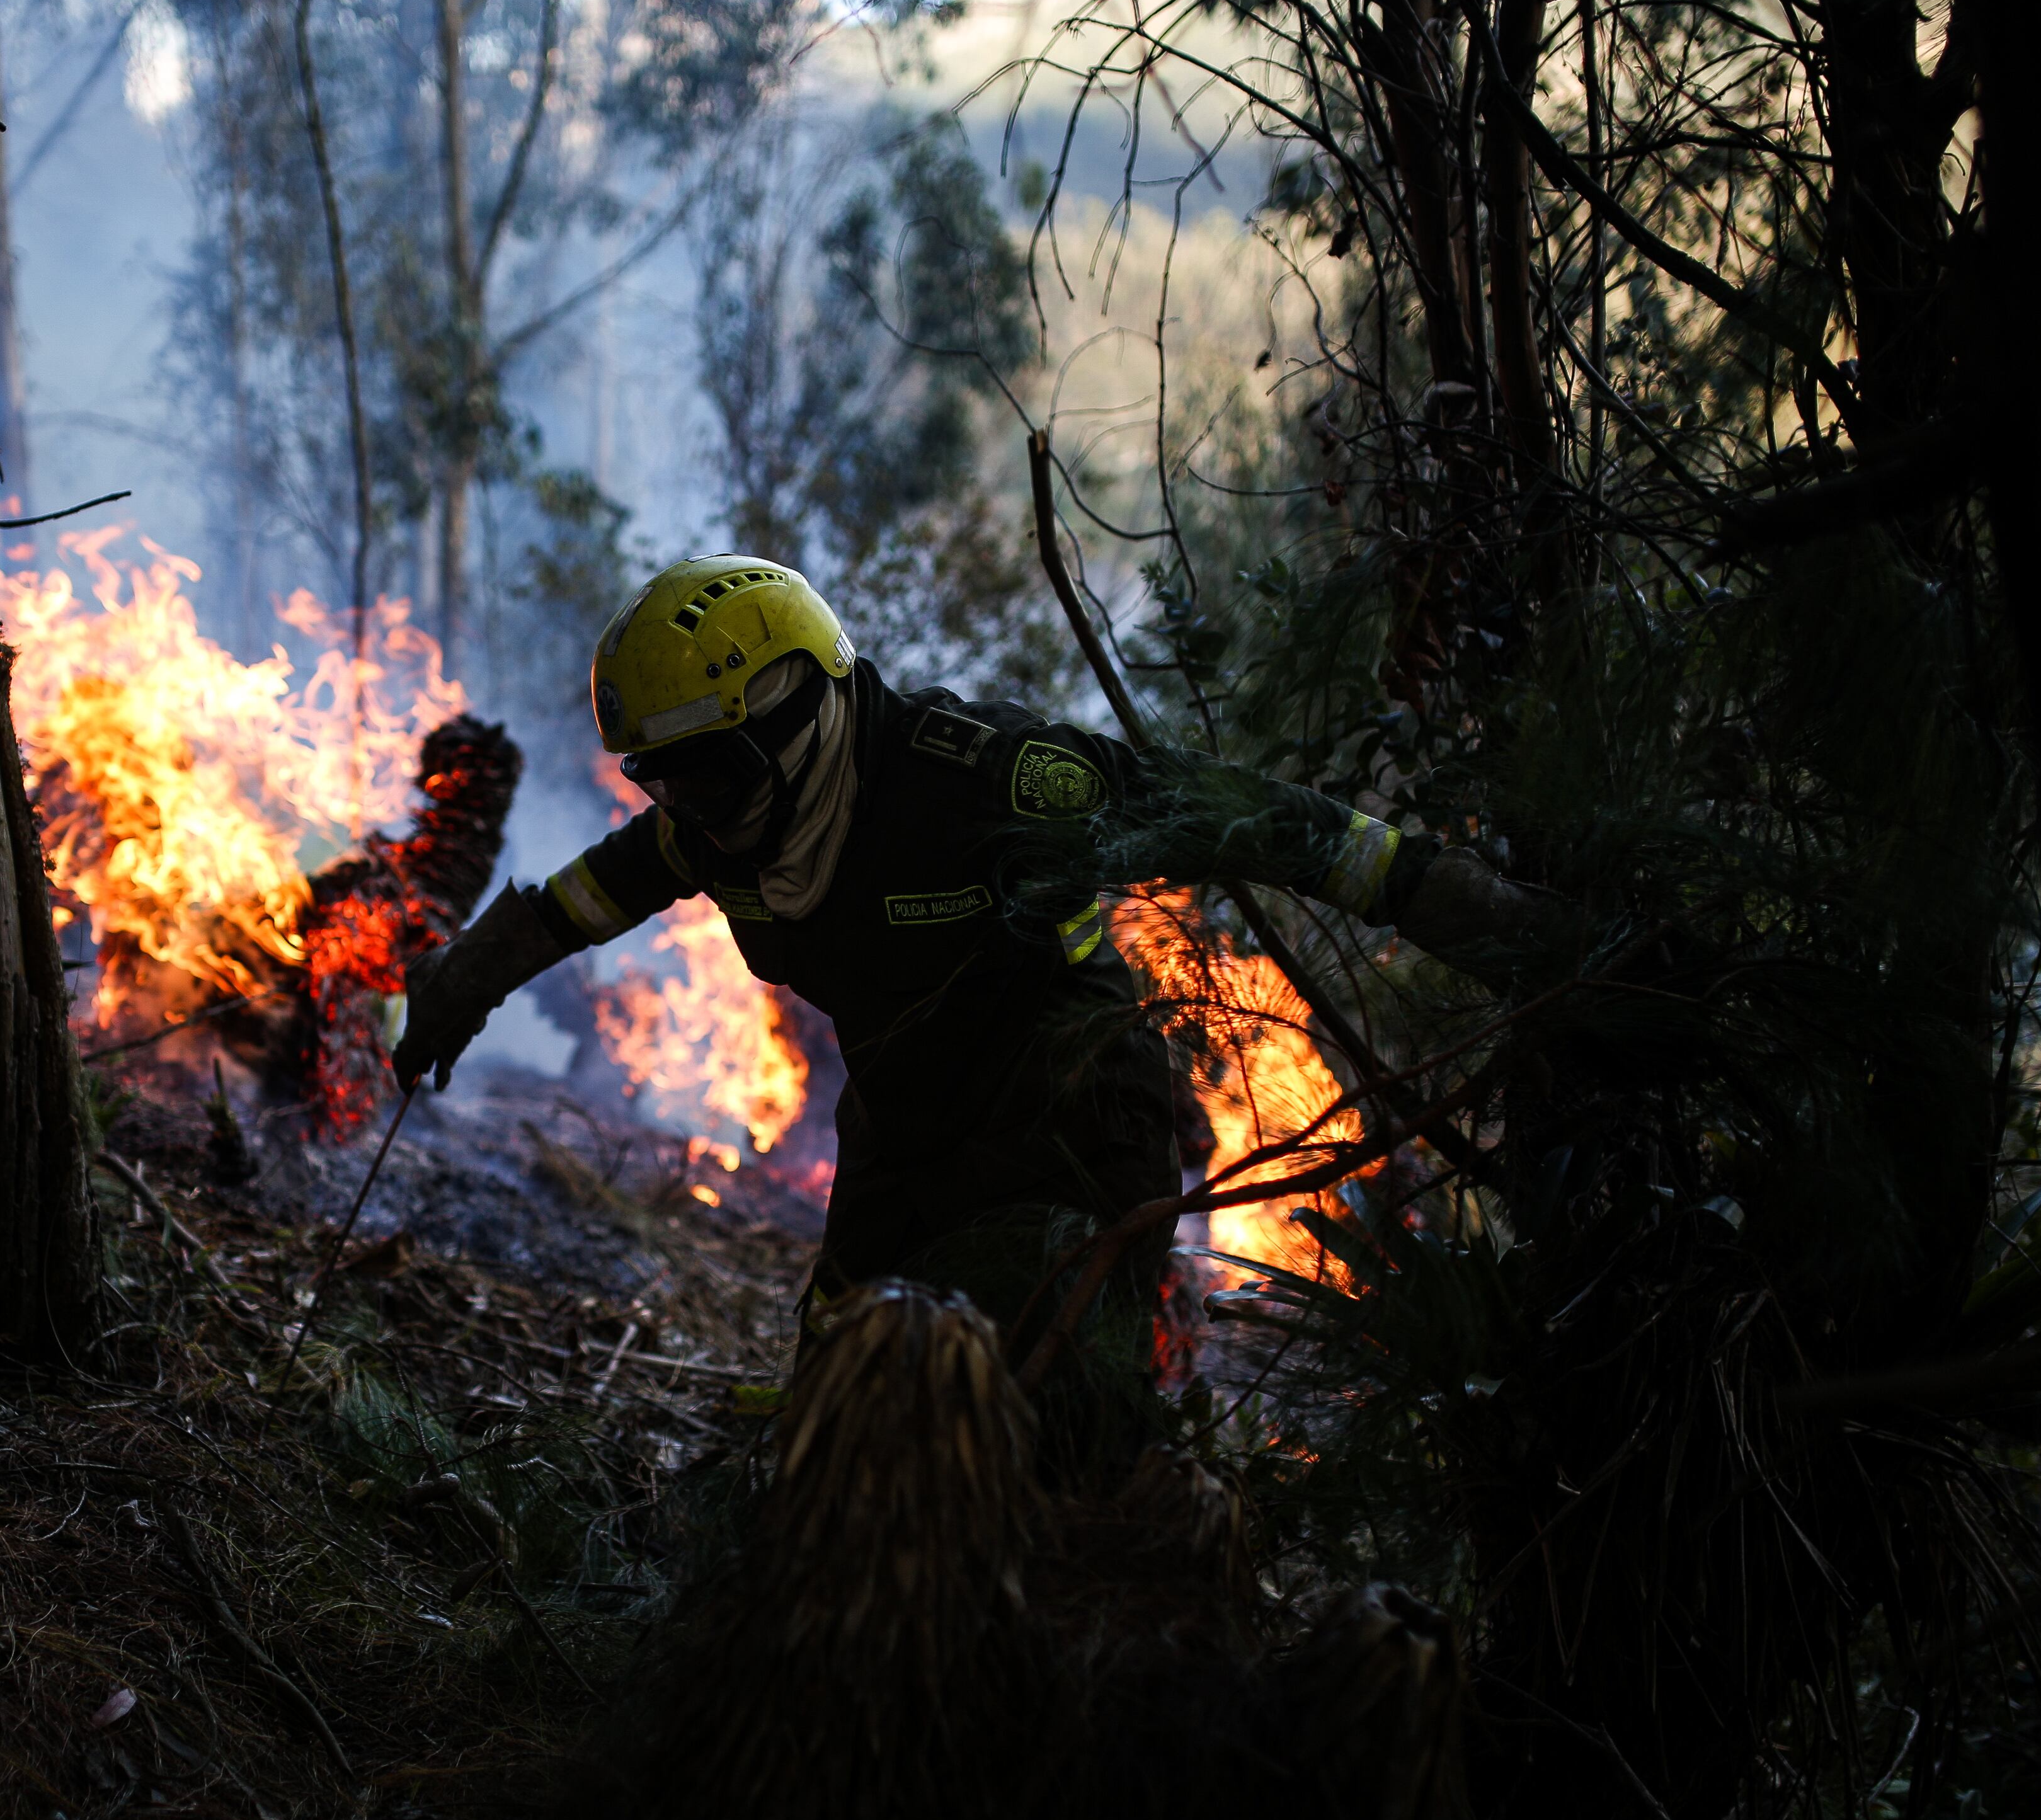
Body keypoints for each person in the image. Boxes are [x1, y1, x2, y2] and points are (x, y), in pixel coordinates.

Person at [392, 556, 1566, 1469]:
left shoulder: (987, 777)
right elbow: (577, 903)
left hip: (1072, 1120)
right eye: (664, 779)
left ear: (803, 707)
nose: (692, 807)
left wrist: (1448, 901)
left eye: (714, 772)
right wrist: (462, 981)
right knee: (839, 1399)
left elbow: (1233, 813)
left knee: (1019, 1413)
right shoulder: (713, 823)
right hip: (904, 1126)